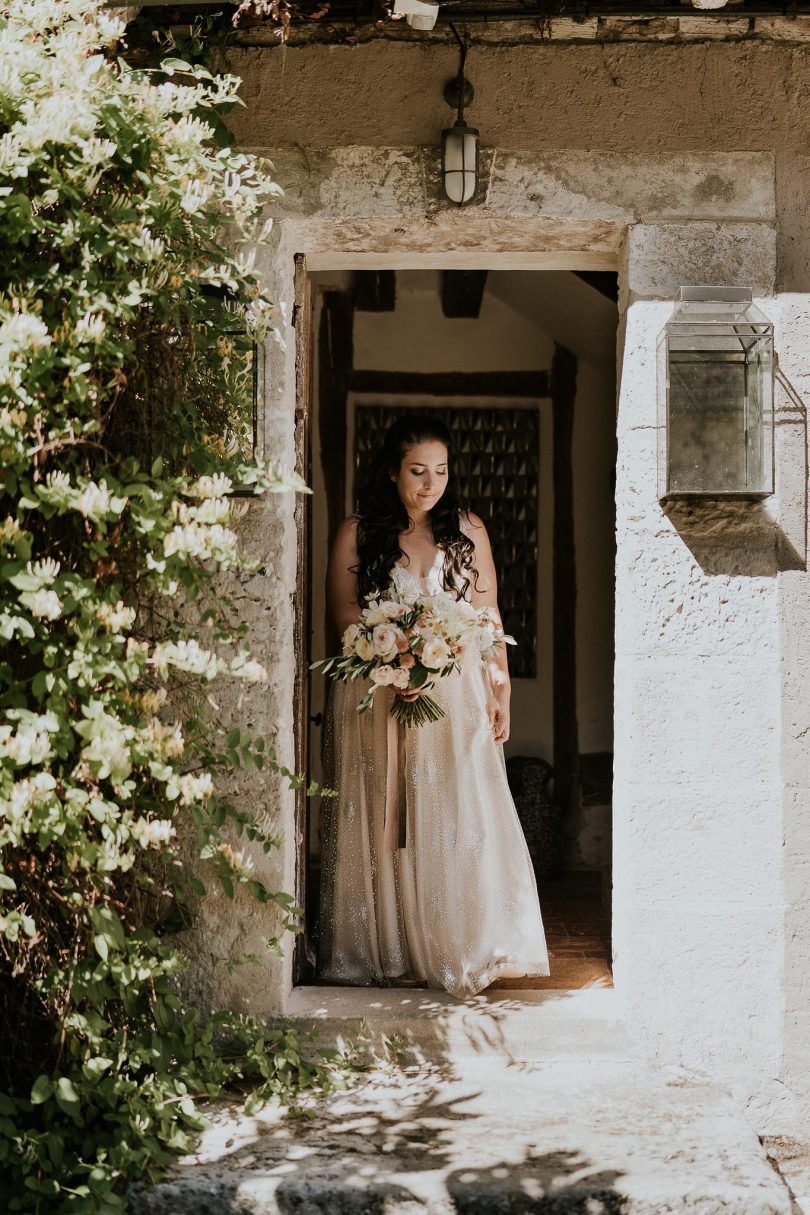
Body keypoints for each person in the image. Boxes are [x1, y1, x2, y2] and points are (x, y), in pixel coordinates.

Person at [317, 413, 549, 998]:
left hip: (454, 696)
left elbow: (488, 617)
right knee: (381, 813)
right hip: (375, 691)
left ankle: (456, 942)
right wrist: (383, 658)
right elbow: (343, 612)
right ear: (392, 470)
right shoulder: (357, 530)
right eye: (417, 471)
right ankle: (384, 946)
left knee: (454, 811)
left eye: (440, 471)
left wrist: (501, 689)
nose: (429, 484)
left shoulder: (468, 529)